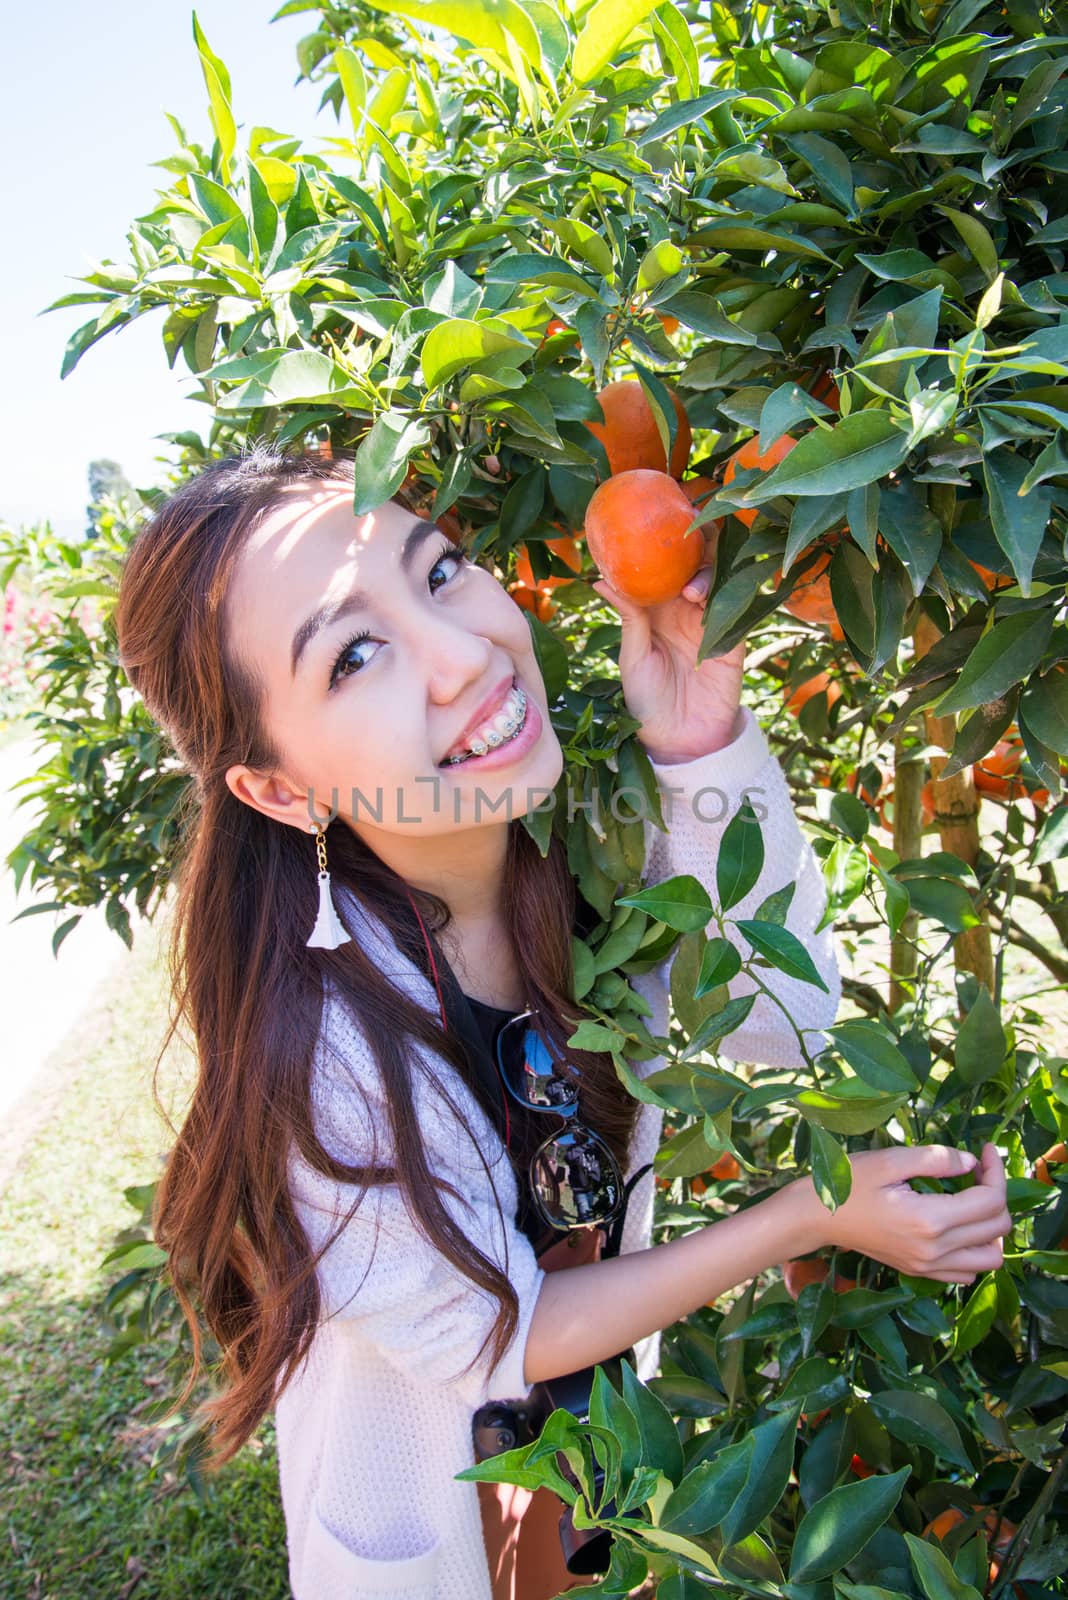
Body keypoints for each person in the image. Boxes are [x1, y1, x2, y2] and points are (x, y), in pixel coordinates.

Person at [114, 445, 1011, 1600]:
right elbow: (497, 1337)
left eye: (438, 573)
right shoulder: (321, 1048)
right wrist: (810, 1212)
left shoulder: (585, 849)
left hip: (588, 1483)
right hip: (430, 1530)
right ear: (282, 789)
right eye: (355, 654)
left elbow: (779, 1023)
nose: (463, 653)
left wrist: (698, 743)